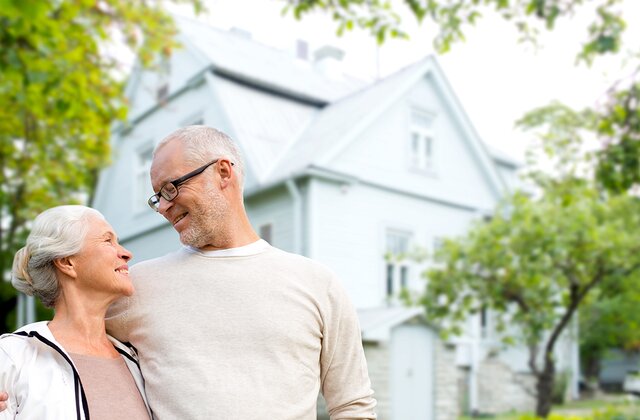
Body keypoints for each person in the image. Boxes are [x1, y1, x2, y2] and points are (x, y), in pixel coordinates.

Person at [105, 125, 377, 419]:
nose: (164, 207)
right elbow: (70, 349)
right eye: (158, 196)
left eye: (171, 188)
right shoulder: (137, 287)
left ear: (223, 172)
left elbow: (352, 406)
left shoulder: (317, 284)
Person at [0, 205, 151, 420]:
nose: (126, 253)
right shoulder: (12, 356)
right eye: (108, 240)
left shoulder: (136, 360)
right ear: (66, 262)